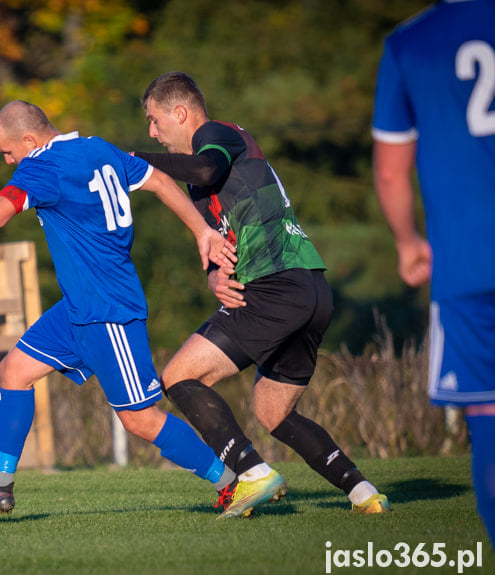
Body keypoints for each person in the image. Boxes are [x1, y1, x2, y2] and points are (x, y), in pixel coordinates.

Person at [0, 100, 283, 519]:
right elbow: (162, 182)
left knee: (140, 420)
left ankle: (233, 482)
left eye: (8, 151)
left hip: (109, 309)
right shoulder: (101, 150)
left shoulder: (41, 166)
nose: (8, 161)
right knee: (14, 370)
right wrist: (201, 231)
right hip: (78, 306)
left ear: (30, 140)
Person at [132, 72, 389, 514]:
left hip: (277, 286)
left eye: (155, 120)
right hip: (310, 290)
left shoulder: (217, 135)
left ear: (180, 113)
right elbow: (216, 237)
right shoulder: (203, 177)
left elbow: (207, 167)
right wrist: (214, 275)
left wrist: (137, 160)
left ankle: (251, 474)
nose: (153, 131)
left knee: (178, 377)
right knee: (274, 412)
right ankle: (364, 494)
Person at [372, 0, 495, 546]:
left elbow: (392, 172)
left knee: (488, 424)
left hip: (467, 263)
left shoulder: (410, 43)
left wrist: (408, 242)